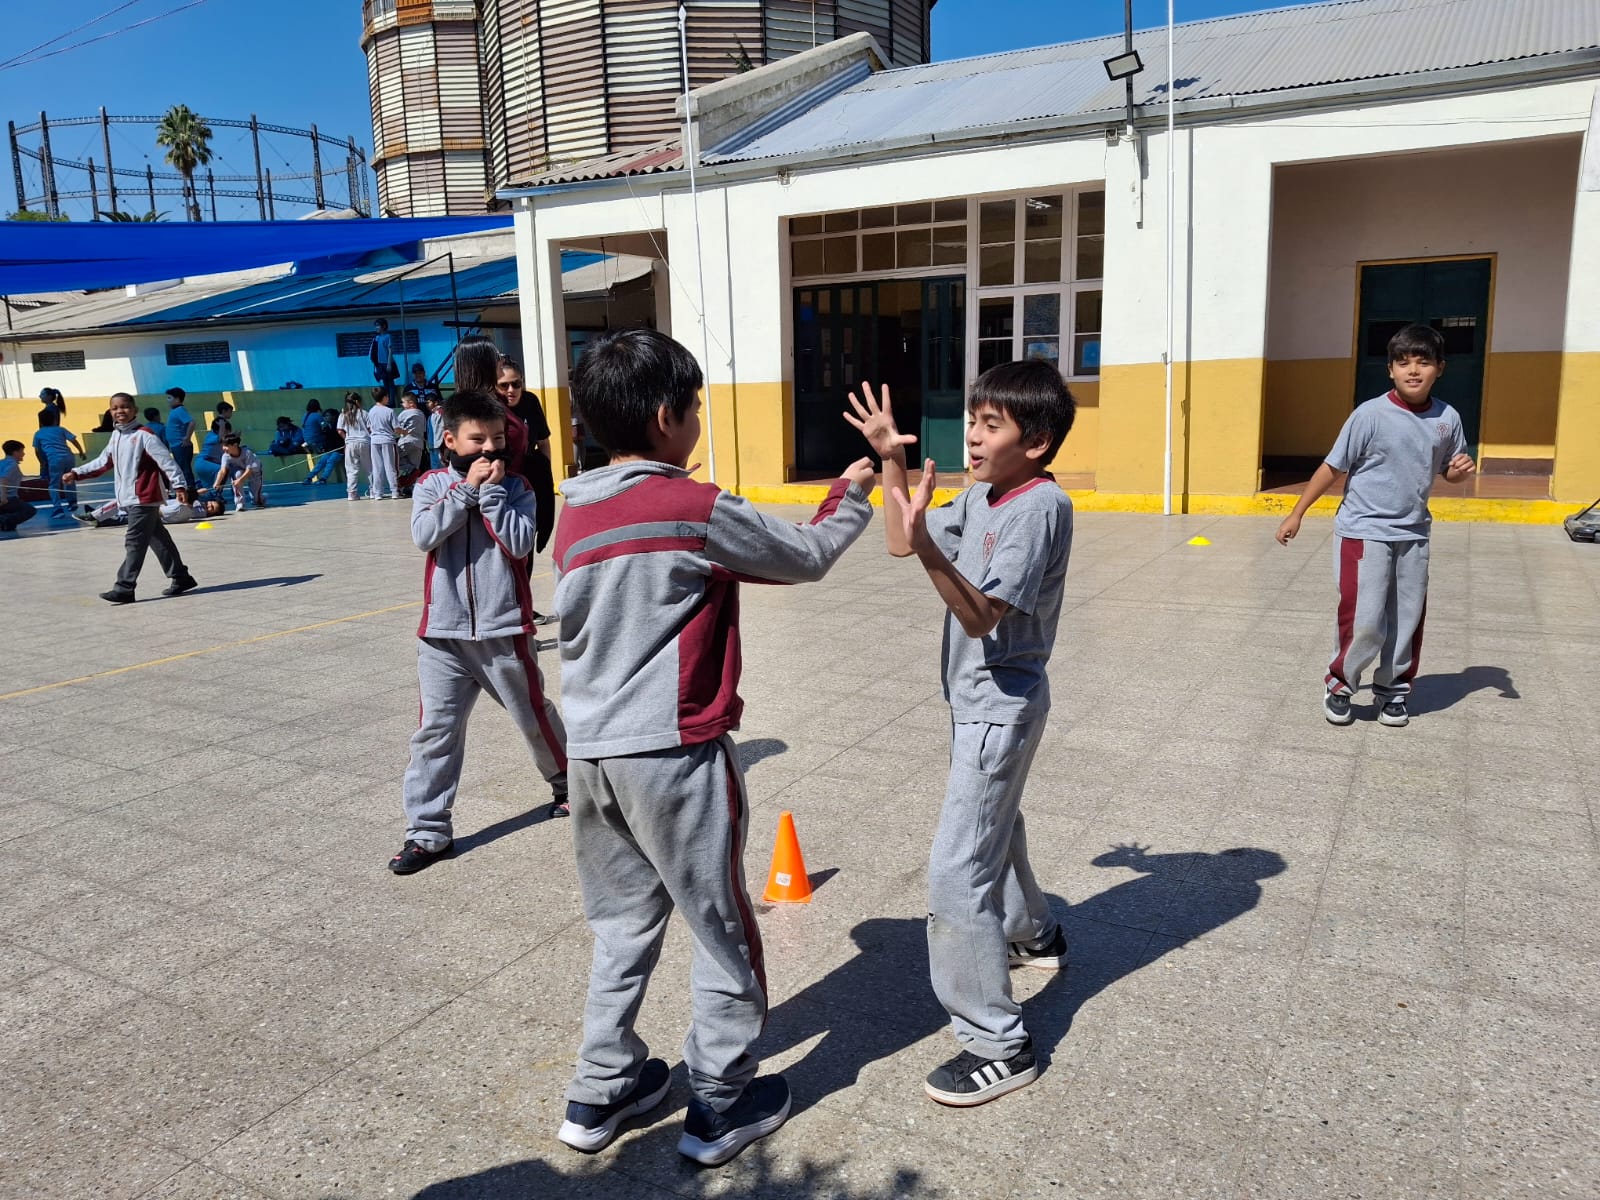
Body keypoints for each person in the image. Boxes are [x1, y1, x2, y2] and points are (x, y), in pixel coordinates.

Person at [550, 328, 874, 1165]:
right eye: (693, 408)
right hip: (673, 753)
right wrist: (851, 490)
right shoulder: (690, 507)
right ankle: (722, 1103)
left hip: (591, 757)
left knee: (622, 925)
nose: (697, 421)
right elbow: (804, 555)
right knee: (722, 926)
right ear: (667, 418)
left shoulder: (574, 509)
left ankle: (601, 1087)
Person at [846, 361, 1076, 1108]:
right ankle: (1035, 934)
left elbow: (980, 616)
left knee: (956, 874)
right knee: (995, 826)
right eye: (973, 420)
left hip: (1000, 707)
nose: (973, 437)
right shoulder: (982, 495)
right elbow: (898, 539)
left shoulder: (1038, 508)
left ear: (1036, 442)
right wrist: (891, 459)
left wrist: (929, 548)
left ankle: (998, 1044)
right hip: (974, 702)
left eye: (990, 425)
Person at [389, 388, 569, 876]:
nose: (489, 449)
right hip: (442, 635)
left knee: (532, 715)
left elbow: (520, 544)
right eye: (477, 439)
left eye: (497, 439)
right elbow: (425, 535)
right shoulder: (431, 484)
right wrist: (464, 493)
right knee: (435, 732)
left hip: (502, 630)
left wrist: (491, 496)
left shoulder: (518, 488)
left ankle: (569, 783)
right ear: (450, 439)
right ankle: (427, 831)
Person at [1275, 322, 1475, 727]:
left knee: (1407, 617)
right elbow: (1332, 467)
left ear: (1440, 368)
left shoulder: (1447, 418)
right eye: (1403, 363)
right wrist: (1297, 512)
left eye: (1423, 362)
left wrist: (1460, 472)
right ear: (1390, 370)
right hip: (1363, 532)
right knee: (1364, 616)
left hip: (1413, 534)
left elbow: (1448, 472)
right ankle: (1340, 684)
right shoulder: (1369, 415)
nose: (1413, 371)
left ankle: (1393, 692)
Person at [64, 391, 198, 604]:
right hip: (129, 497)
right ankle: (181, 577)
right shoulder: (116, 436)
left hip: (144, 497)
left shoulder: (145, 435)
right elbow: (103, 462)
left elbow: (166, 461)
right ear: (110, 412)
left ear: (135, 410)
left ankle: (124, 587)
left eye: (125, 407)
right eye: (115, 408)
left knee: (134, 541)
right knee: (158, 538)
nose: (120, 411)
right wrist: (76, 473)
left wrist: (180, 485)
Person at [497, 356, 558, 554]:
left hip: (527, 481)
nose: (511, 390)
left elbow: (543, 442)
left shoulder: (530, 401)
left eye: (516, 384)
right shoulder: (493, 407)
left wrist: (545, 473)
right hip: (502, 482)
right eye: (504, 385)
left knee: (527, 539)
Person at [32, 408, 85, 518]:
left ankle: (58, 508)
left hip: (54, 459)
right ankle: (72, 502)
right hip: (69, 457)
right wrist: (80, 451)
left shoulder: (38, 433)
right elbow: (73, 440)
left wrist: (42, 463)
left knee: (53, 484)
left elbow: (38, 451)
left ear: (40, 421)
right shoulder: (60, 429)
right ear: (55, 420)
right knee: (69, 479)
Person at [214, 433, 265, 511]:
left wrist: (240, 480)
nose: (223, 448)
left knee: (256, 500)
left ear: (235, 445)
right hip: (240, 469)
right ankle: (239, 503)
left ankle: (260, 498)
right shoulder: (225, 456)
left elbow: (249, 470)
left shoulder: (247, 452)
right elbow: (222, 470)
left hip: (254, 470)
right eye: (223, 445)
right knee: (237, 475)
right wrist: (217, 483)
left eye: (226, 446)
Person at [338, 392, 373, 500]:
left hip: (350, 444)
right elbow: (370, 429)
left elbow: (340, 430)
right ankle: (373, 491)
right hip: (365, 442)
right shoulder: (364, 413)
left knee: (351, 470)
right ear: (357, 402)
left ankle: (352, 493)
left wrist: (347, 439)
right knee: (370, 468)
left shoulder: (343, 414)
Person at [367, 387, 400, 500]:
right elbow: (396, 428)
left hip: (374, 441)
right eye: (387, 396)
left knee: (377, 467)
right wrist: (405, 432)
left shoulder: (371, 411)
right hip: (388, 440)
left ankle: (378, 493)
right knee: (390, 466)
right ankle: (394, 491)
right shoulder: (389, 411)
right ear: (384, 397)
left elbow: (369, 427)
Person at [0, 440, 37, 533]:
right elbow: (3, 478)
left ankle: (6, 523)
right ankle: (3, 520)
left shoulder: (1, 462)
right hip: (8, 498)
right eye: (22, 451)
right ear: (15, 452)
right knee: (29, 510)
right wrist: (3, 497)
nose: (23, 454)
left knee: (11, 523)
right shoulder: (12, 465)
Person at [165, 387, 197, 492]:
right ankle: (187, 488)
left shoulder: (179, 410)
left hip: (181, 445)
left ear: (177, 399)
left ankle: (190, 490)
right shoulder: (175, 411)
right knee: (182, 468)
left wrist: (187, 438)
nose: (168, 400)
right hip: (176, 445)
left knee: (184, 469)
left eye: (170, 398)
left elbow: (192, 422)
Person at [395, 391, 428, 490]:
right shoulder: (421, 414)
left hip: (406, 441)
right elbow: (424, 430)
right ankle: (409, 488)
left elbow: (397, 427)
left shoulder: (404, 413)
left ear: (411, 403)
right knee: (415, 465)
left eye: (403, 402)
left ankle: (410, 470)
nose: (402, 404)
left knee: (394, 460)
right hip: (419, 443)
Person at [370, 317, 400, 404]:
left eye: (378, 326)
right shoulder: (377, 338)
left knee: (391, 384)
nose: (376, 328)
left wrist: (389, 363)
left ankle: (392, 402)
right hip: (380, 364)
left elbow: (390, 350)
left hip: (387, 363)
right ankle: (386, 402)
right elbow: (374, 351)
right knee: (385, 384)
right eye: (376, 326)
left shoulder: (388, 336)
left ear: (383, 326)